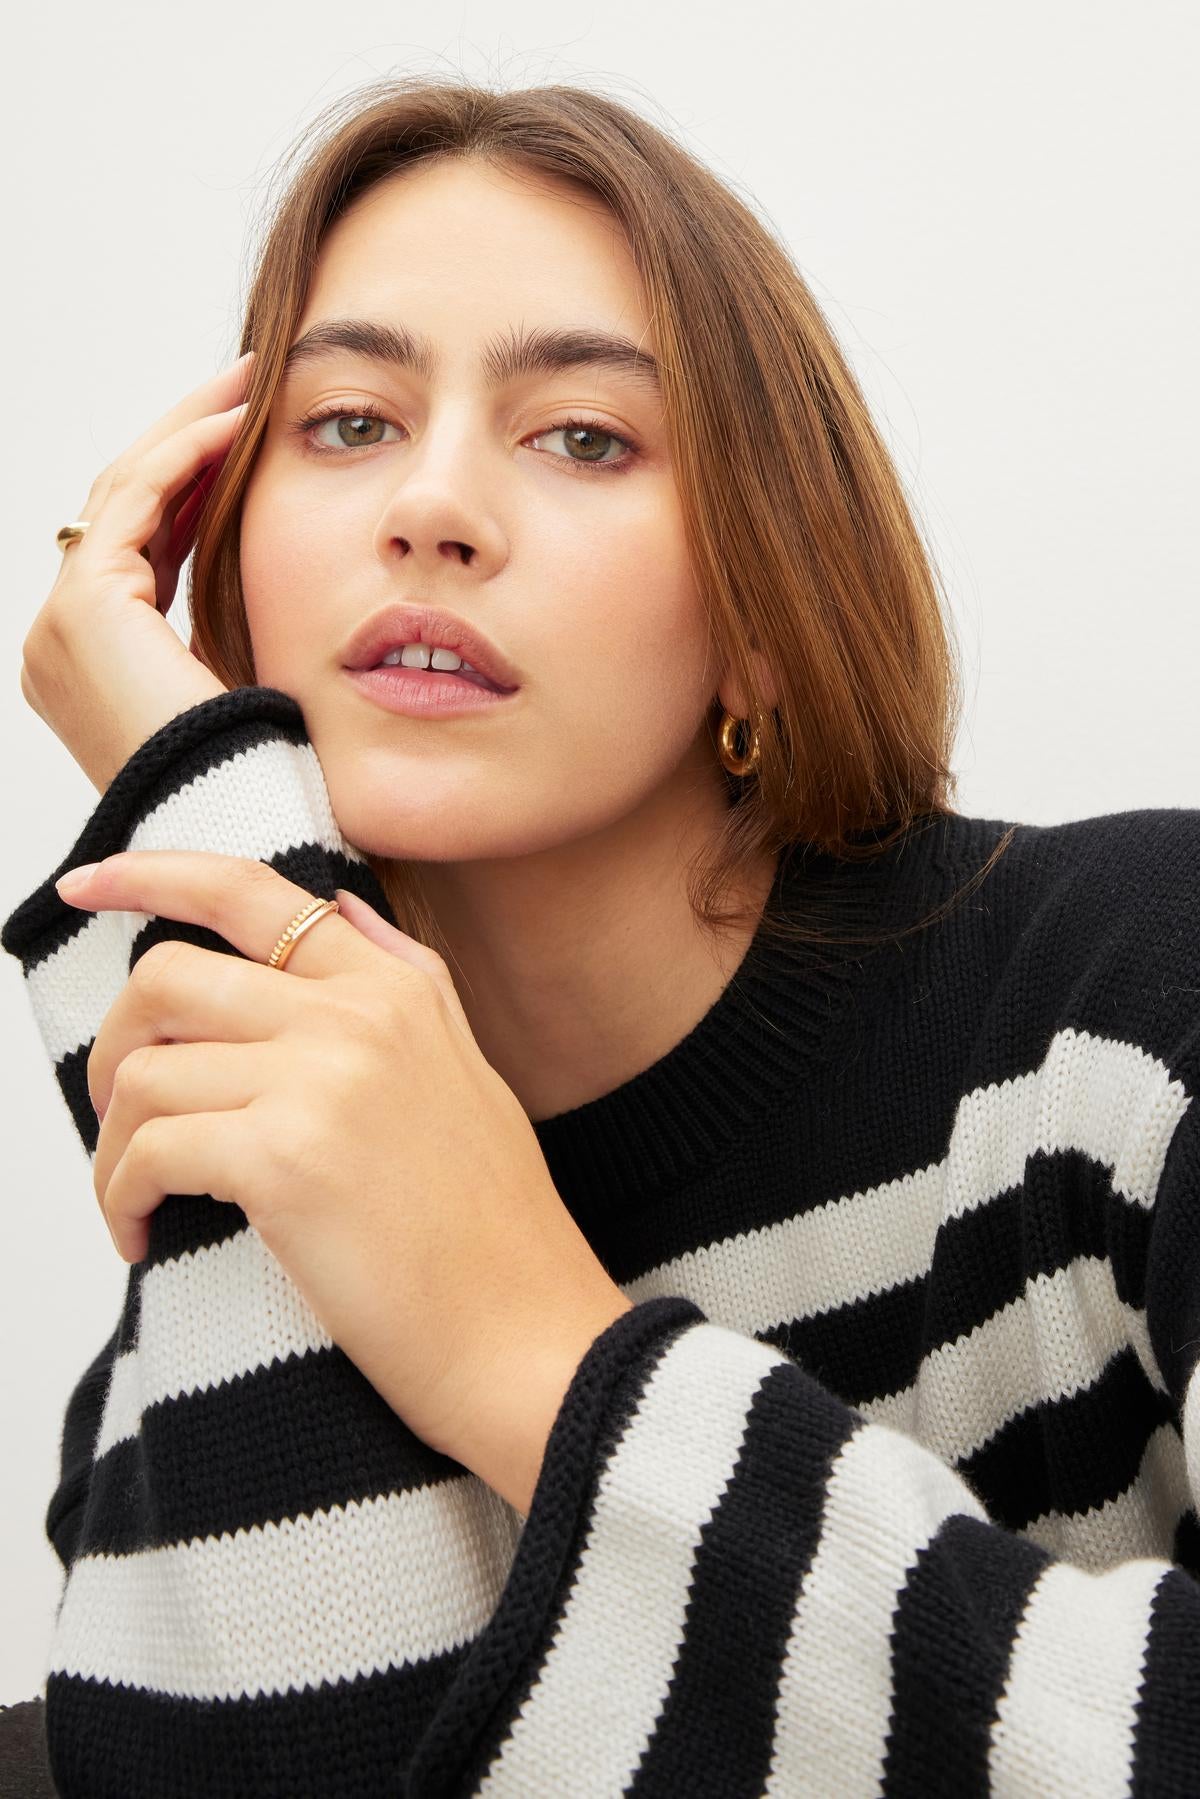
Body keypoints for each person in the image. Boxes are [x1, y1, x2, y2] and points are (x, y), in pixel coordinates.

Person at [3, 75, 1198, 1799]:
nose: (434, 509)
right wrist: (208, 827)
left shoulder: (1136, 1019)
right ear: (229, 559)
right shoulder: (220, 1268)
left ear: (765, 616)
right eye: (346, 423)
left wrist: (527, 1348)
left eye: (584, 436)